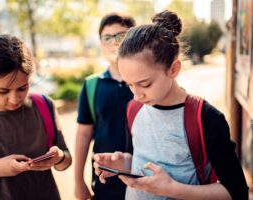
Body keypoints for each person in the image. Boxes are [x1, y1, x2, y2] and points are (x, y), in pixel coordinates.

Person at [93, 10, 248, 200]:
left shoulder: (205, 117)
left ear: (173, 69)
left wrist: (171, 189)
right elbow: (140, 159)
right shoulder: (134, 108)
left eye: (145, 84)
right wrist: (123, 164)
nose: (136, 94)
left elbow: (237, 192)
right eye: (129, 84)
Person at [0, 35, 72, 200]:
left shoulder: (45, 106)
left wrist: (59, 157)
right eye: (3, 91)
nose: (15, 99)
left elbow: (66, 159)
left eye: (23, 88)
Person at [74, 13, 135, 200]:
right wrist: (78, 181)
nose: (114, 42)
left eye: (121, 36)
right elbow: (83, 134)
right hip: (104, 181)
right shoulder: (92, 85)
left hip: (143, 179)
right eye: (107, 37)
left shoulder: (146, 82)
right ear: (101, 43)